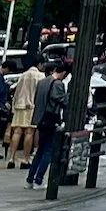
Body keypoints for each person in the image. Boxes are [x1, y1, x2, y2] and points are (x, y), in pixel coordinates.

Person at [26, 61, 70, 190]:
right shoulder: (57, 84)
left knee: (40, 150)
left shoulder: (42, 82)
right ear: (63, 73)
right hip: (51, 118)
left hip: (40, 118)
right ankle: (38, 180)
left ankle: (30, 179)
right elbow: (62, 100)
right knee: (48, 151)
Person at [7, 57, 43, 169]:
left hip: (19, 105)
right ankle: (25, 159)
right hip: (31, 106)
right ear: (39, 64)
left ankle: (11, 158)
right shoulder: (40, 76)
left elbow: (16, 92)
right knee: (29, 133)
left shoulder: (23, 75)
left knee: (17, 132)